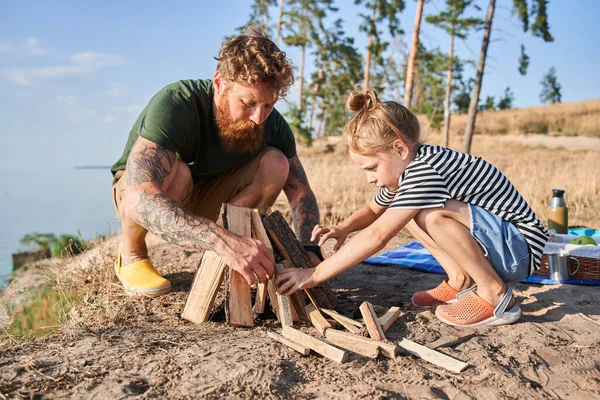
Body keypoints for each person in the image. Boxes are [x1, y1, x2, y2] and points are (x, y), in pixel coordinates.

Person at [276, 88, 549, 327]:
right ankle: (461, 280)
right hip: (503, 246)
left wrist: (314, 275)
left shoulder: (425, 171)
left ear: (399, 149)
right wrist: (344, 227)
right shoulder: (410, 171)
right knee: (407, 210)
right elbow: (373, 210)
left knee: (432, 215)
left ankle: (495, 294)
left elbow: (377, 236)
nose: (370, 178)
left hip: (519, 248)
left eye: (372, 168)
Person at [110, 27, 322, 297]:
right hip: (155, 191)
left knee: (277, 164)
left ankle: (221, 253)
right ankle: (132, 255)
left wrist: (309, 250)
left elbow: (300, 192)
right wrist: (220, 240)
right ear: (220, 83)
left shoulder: (271, 123)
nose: (259, 117)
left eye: (268, 106)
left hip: (211, 199)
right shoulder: (177, 103)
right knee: (179, 174)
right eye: (248, 102)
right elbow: (138, 197)